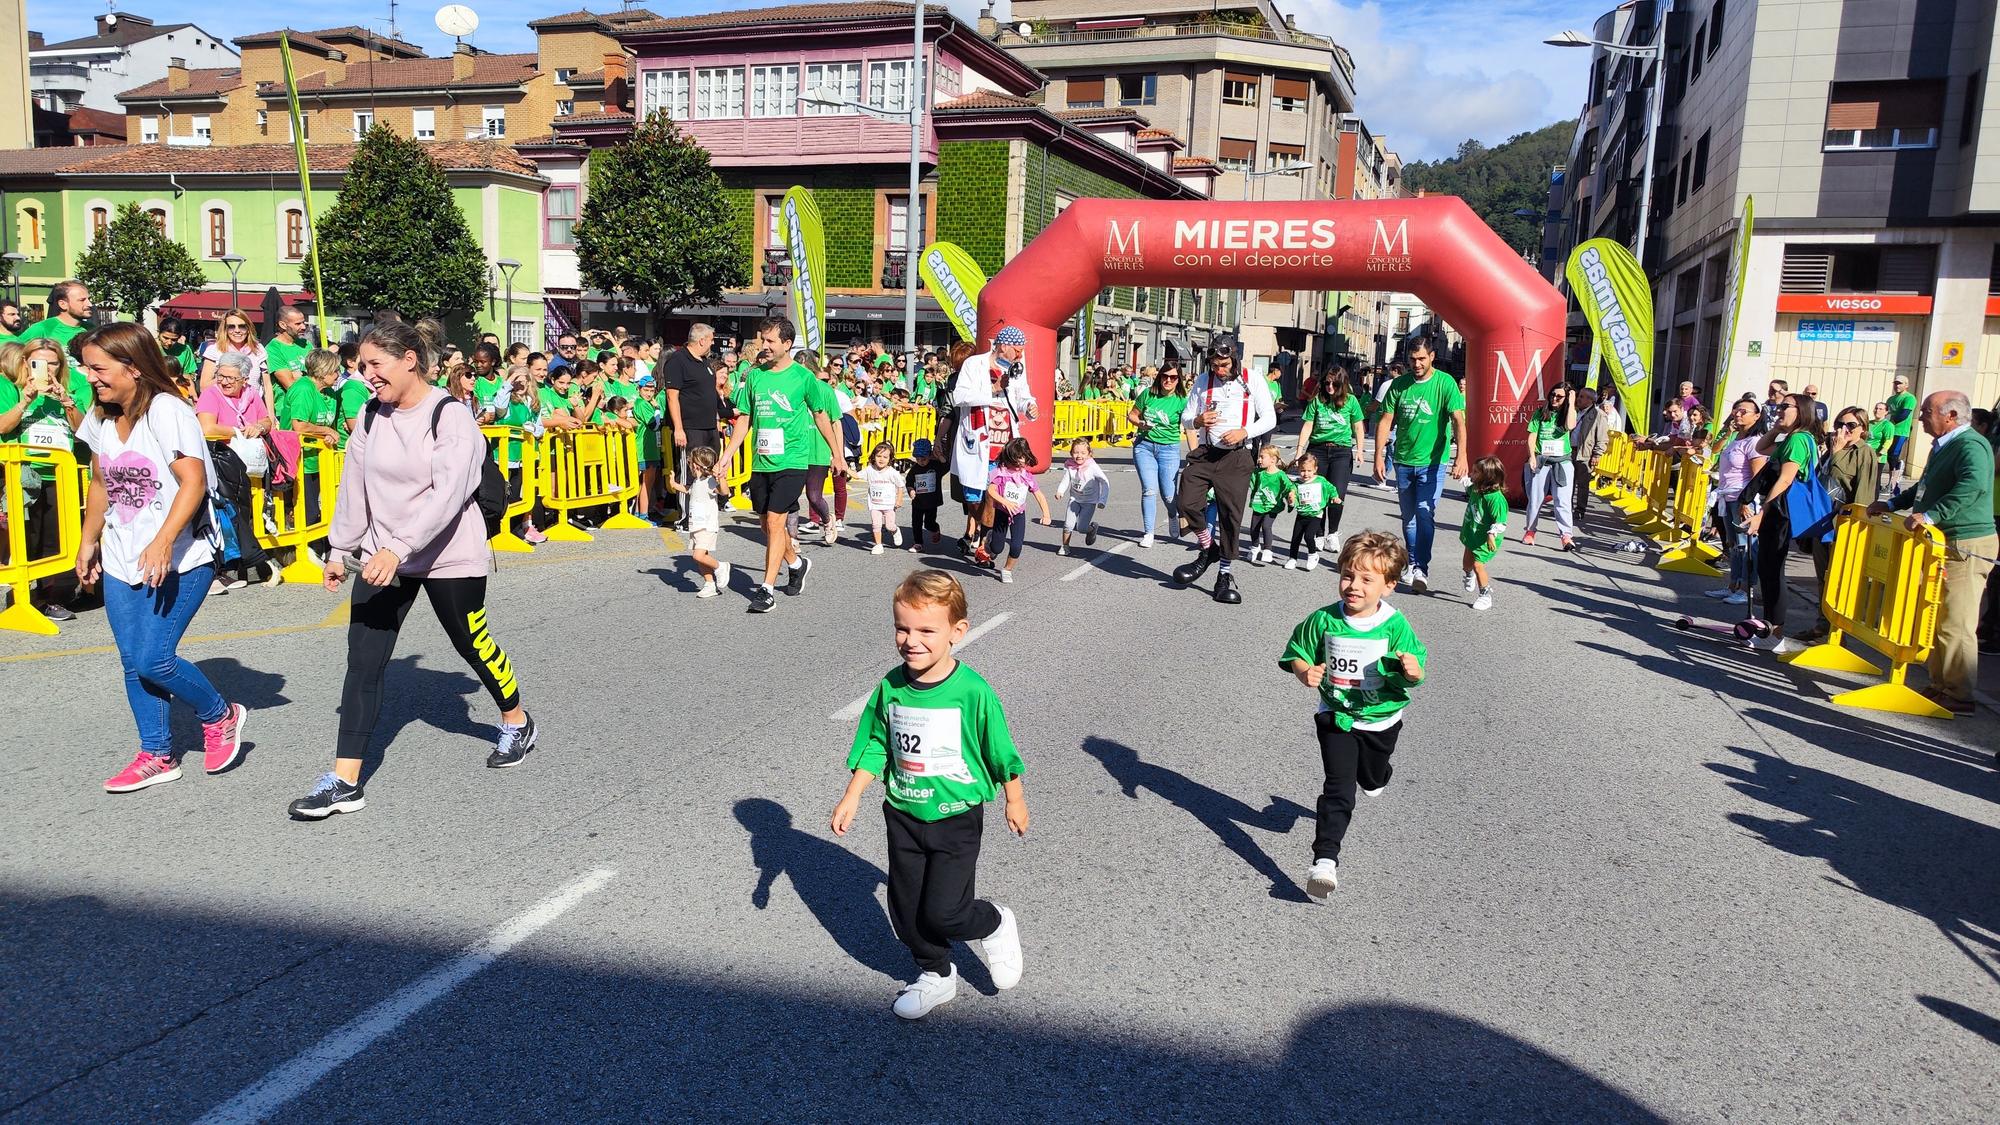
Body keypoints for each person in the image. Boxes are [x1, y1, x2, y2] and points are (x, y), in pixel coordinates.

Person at [288, 318, 538, 820]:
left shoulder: (450, 416)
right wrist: (339, 549)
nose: (366, 375)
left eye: (375, 365)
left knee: (472, 643)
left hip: (447, 553)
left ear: (410, 360)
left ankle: (516, 719)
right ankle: (344, 781)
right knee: (363, 662)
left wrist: (398, 548)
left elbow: (448, 496)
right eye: (361, 366)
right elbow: (354, 486)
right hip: (385, 556)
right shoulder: (370, 415)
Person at [830, 570, 1026, 1020]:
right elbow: (877, 741)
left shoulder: (972, 692)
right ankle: (935, 974)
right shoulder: (891, 687)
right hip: (902, 811)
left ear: (958, 632)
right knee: (905, 907)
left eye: (925, 630)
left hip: (956, 816)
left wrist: (1014, 798)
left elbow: (1000, 750)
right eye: (902, 628)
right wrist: (852, 795)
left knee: (945, 913)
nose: (910, 640)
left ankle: (994, 921)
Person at [71, 323, 248, 794]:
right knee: (132, 661)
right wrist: (88, 542)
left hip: (183, 556)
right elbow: (101, 483)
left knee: (154, 658)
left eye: (98, 368)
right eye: (87, 367)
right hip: (122, 555)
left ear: (132, 366)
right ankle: (157, 753)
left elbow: (192, 482)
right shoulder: (102, 418)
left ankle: (220, 714)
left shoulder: (168, 411)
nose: (90, 377)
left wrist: (165, 538)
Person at [1278, 531, 1427, 901]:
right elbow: (1297, 651)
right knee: (1338, 789)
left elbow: (1416, 668)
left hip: (1381, 719)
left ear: (1388, 586)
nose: (1353, 586)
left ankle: (1377, 775)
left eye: (1366, 579)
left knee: (1372, 778)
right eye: (1347, 575)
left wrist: (1412, 670)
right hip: (1337, 715)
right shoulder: (1323, 620)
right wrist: (1303, 672)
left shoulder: (1395, 625)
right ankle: (1325, 862)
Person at [1871, 390, 1995, 715]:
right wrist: (1893, 503)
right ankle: (1941, 685)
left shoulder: (1970, 445)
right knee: (1940, 616)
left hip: (1964, 544)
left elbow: (1972, 486)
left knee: (1957, 620)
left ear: (1951, 416)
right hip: (1943, 541)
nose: (1921, 417)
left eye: (1927, 411)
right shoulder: (1943, 446)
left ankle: (1959, 692)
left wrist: (1930, 516)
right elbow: (1924, 486)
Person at [715, 316, 845, 614]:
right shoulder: (756, 376)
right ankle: (797, 564)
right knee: (766, 525)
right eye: (763, 339)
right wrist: (727, 455)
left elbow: (821, 416)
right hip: (762, 461)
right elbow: (745, 418)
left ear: (787, 344)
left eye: (771, 341)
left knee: (776, 522)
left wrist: (836, 453)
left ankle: (766, 589)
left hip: (793, 460)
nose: (765, 345)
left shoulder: (803, 378)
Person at [1171, 346, 1278, 604]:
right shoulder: (1203, 380)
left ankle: (1224, 575)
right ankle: (1209, 548)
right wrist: (1196, 421)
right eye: (1216, 365)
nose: (1220, 370)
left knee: (1230, 516)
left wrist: (1245, 432)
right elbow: (1186, 416)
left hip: (1237, 456)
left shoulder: (1251, 379)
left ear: (1235, 361)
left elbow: (1269, 418)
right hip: (1207, 452)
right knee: (1186, 501)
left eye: (1225, 365)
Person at [1372, 337, 1468, 592]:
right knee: (1409, 518)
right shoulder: (1399, 385)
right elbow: (1385, 421)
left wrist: (1462, 456)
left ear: (1432, 357)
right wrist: (1378, 456)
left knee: (1425, 512)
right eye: (1413, 359)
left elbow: (1459, 421)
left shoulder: (1445, 383)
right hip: (1403, 461)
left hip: (1433, 462)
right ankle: (1413, 562)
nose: (1417, 364)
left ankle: (1421, 568)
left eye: (1422, 359)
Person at [1, 339, 87, 621]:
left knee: (56, 539)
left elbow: (83, 431)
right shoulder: (10, 388)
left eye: (53, 363)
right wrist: (26, 399)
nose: (47, 369)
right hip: (25, 472)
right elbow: (3, 426)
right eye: (39, 362)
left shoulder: (65, 392)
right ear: (26, 363)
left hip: (60, 474)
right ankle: (24, 596)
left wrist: (67, 401)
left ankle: (49, 599)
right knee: (28, 538)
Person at [1741, 393, 1823, 655]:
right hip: (1778, 509)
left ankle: (1776, 632)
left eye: (1785, 407)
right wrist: (1777, 426)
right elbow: (1761, 448)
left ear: (1801, 411)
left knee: (1773, 569)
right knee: (1768, 567)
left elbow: (1785, 480)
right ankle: (1770, 629)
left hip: (1782, 510)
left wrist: (1761, 514)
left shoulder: (1800, 439)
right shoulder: (1792, 437)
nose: (1778, 410)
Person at [1794, 406, 1881, 643]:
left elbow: (1864, 492)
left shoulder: (1863, 453)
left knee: (1840, 577)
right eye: (1839, 424)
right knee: (1823, 576)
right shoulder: (1833, 449)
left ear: (1863, 429)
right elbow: (1818, 478)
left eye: (1851, 425)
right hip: (1822, 521)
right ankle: (1822, 624)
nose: (1843, 429)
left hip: (1844, 523)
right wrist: (1833, 452)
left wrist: (1858, 524)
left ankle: (1838, 630)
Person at [195, 351, 279, 591]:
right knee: (226, 514)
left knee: (245, 511)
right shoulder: (211, 394)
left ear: (245, 379)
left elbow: (266, 420)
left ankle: (239, 565)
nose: (225, 382)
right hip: (219, 461)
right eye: (221, 376)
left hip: (247, 465)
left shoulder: (252, 394)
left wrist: (258, 427)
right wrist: (238, 430)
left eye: (231, 378)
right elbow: (207, 428)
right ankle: (220, 570)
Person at [950, 328, 1036, 554]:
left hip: (1004, 443)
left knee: (994, 493)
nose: (1019, 356)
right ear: (1003, 345)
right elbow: (959, 396)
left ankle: (986, 543)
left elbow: (1022, 396)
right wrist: (993, 389)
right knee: (973, 497)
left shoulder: (1018, 369)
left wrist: (1029, 406)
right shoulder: (974, 364)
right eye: (1017, 351)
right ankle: (981, 529)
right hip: (978, 439)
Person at [1294, 366, 1365, 550]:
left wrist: (1360, 450)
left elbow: (1358, 426)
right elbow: (1308, 426)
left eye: (1334, 383)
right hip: (1318, 450)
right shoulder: (1317, 401)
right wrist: (1299, 450)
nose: (1330, 387)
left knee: (1337, 494)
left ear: (1342, 383)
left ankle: (1332, 533)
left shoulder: (1351, 401)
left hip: (1341, 451)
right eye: (1326, 383)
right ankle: (1318, 533)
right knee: (1318, 494)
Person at [1706, 397, 1768, 607]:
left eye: (1744, 411)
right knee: (1733, 545)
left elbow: (1757, 475)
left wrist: (1745, 502)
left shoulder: (1755, 442)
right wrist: (1726, 432)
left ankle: (1746, 589)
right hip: (1727, 497)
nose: (1738, 414)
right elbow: (1714, 450)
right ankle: (1733, 584)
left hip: (1742, 499)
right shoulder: (1736, 438)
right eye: (1735, 410)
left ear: (1757, 416)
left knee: (1746, 545)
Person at [663, 324, 721, 527]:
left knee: (709, 468)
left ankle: (705, 511)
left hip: (709, 427)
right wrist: (678, 428)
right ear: (702, 340)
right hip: (689, 427)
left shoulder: (704, 362)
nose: (713, 343)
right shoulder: (678, 361)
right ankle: (686, 517)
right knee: (690, 470)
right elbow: (672, 396)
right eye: (711, 339)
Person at [1128, 365, 1189, 548]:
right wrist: (1140, 424)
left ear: (1179, 380)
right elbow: (1132, 415)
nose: (1168, 381)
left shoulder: (1181, 400)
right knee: (1149, 490)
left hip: (1169, 449)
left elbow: (1190, 427)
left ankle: (1172, 515)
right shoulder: (1148, 394)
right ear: (1159, 377)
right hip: (1144, 447)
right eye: (1165, 376)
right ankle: (1148, 532)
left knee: (1169, 495)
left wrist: (1195, 453)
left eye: (1173, 377)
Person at [975, 438, 1051, 583]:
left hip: (1018, 514)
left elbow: (1039, 495)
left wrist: (1046, 514)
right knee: (997, 548)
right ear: (1008, 458)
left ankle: (1007, 569)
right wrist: (1005, 502)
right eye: (1014, 460)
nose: (1018, 463)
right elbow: (991, 491)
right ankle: (989, 539)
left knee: (1016, 545)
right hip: (1002, 513)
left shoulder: (1027, 477)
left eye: (1022, 458)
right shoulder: (1000, 473)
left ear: (1027, 456)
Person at [16, 280, 97, 409]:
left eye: (89, 299)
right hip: (53, 399)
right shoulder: (43, 328)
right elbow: (13, 355)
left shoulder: (93, 330)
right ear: (63, 304)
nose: (90, 304)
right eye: (82, 300)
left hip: (86, 398)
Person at [667, 445, 732, 599]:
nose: (689, 466)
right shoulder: (696, 482)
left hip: (706, 526)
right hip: (696, 525)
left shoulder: (710, 481)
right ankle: (709, 584)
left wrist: (721, 478)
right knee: (701, 559)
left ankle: (721, 567)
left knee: (698, 556)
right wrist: (673, 484)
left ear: (697, 465)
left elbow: (724, 491)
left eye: (690, 463)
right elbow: (687, 489)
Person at [1521, 382, 1579, 550]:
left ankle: (1566, 536)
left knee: (1563, 500)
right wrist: (1532, 457)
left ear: (1566, 398)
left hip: (1562, 462)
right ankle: (1530, 532)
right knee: (1535, 499)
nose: (1554, 398)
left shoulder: (1568, 413)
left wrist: (1571, 402)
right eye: (1553, 395)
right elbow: (1532, 436)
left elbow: (1570, 425)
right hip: (1541, 460)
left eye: (1559, 396)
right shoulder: (1540, 413)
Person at [1459, 455, 1509, 611]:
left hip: (1486, 538)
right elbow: (1468, 486)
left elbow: (1500, 521)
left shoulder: (1495, 499)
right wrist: (1462, 478)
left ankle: (1485, 595)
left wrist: (1491, 534)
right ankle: (1468, 574)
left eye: (1475, 472)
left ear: (1487, 477)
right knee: (1466, 565)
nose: (1471, 474)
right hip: (1472, 533)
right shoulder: (1476, 488)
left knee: (1477, 565)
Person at [1054, 437, 1109, 556]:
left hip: (1089, 502)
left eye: (1083, 453)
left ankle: (1092, 529)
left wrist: (1102, 500)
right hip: (1074, 500)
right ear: (1071, 453)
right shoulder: (1071, 466)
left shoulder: (1093, 467)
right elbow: (1066, 479)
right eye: (1076, 452)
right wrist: (1060, 491)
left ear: (1089, 454)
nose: (1079, 456)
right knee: (1068, 524)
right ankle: (1065, 546)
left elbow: (1105, 482)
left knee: (1081, 528)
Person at [1284, 451, 1338, 571]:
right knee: (1295, 538)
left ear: (1315, 469)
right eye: (1303, 470)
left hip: (1315, 514)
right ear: (1298, 469)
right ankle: (1292, 558)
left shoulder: (1320, 480)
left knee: (1308, 536)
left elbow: (1331, 488)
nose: (1305, 474)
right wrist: (1291, 500)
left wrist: (1335, 496)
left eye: (1309, 471)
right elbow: (1294, 497)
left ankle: (1313, 555)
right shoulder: (1296, 484)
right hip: (1302, 513)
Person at [1571, 386, 1616, 526]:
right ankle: (1566, 508)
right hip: (1570, 450)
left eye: (1582, 396)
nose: (1579, 399)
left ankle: (1580, 509)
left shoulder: (1598, 415)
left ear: (1590, 400)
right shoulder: (1575, 412)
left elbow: (1602, 437)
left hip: (1585, 453)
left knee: (1583, 484)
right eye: (1579, 396)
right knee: (1568, 482)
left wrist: (1597, 454)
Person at [196, 310, 267, 399]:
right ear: (225, 329)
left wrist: (270, 412)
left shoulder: (258, 349)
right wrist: (226, 375)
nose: (237, 330)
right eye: (231, 327)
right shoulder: (214, 350)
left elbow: (267, 386)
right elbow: (203, 387)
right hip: (224, 406)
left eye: (242, 327)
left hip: (253, 405)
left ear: (248, 329)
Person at [1244, 444, 1294, 566]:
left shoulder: (1280, 474)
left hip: (1272, 506)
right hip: (1258, 504)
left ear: (1273, 459)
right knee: (1253, 529)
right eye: (1259, 457)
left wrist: (1291, 495)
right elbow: (1248, 480)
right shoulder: (1258, 473)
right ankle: (1255, 547)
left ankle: (1267, 550)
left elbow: (1289, 486)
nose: (1259, 460)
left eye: (1262, 457)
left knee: (1266, 526)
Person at [860, 439, 906, 555]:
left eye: (885, 457)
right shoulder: (870, 470)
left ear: (890, 459)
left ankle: (895, 531)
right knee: (876, 524)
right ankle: (878, 545)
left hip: (889, 504)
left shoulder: (892, 472)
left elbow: (900, 485)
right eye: (879, 456)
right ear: (874, 456)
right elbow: (857, 475)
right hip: (875, 504)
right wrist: (845, 468)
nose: (881, 459)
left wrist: (899, 499)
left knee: (889, 525)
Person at [905, 437, 948, 552]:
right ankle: (918, 543)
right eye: (918, 459)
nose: (921, 461)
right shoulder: (915, 469)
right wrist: (910, 490)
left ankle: (935, 529)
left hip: (932, 501)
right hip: (918, 501)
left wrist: (939, 456)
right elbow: (909, 481)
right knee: (916, 523)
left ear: (929, 455)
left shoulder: (935, 466)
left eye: (923, 458)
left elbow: (946, 466)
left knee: (929, 523)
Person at [265, 306, 313, 392]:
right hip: (289, 403)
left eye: (303, 323)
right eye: (298, 324)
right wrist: (309, 377)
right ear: (283, 325)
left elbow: (322, 374)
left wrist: (299, 376)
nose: (303, 327)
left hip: (310, 399)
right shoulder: (273, 349)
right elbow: (290, 385)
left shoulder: (306, 344)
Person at [1885, 375, 1919, 493]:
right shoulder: (1890, 399)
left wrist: (1892, 421)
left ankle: (1894, 482)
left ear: (1906, 385)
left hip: (1901, 431)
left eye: (1900, 383)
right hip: (1890, 430)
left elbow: (1904, 415)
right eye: (1895, 383)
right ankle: (1890, 482)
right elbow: (1886, 413)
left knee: (1894, 455)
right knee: (1888, 456)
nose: (1897, 385)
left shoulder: (1909, 398)